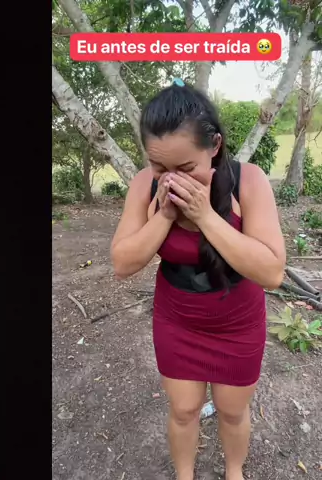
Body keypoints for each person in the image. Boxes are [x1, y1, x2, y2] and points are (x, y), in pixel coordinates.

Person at [110, 80, 286, 480]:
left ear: (215, 146)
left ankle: (234, 472)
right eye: (160, 168)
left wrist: (205, 216)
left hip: (239, 323)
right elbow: (122, 263)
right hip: (178, 321)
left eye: (187, 168)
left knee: (232, 411)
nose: (172, 180)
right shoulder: (144, 185)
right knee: (184, 410)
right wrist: (165, 215)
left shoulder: (249, 181)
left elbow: (272, 272)